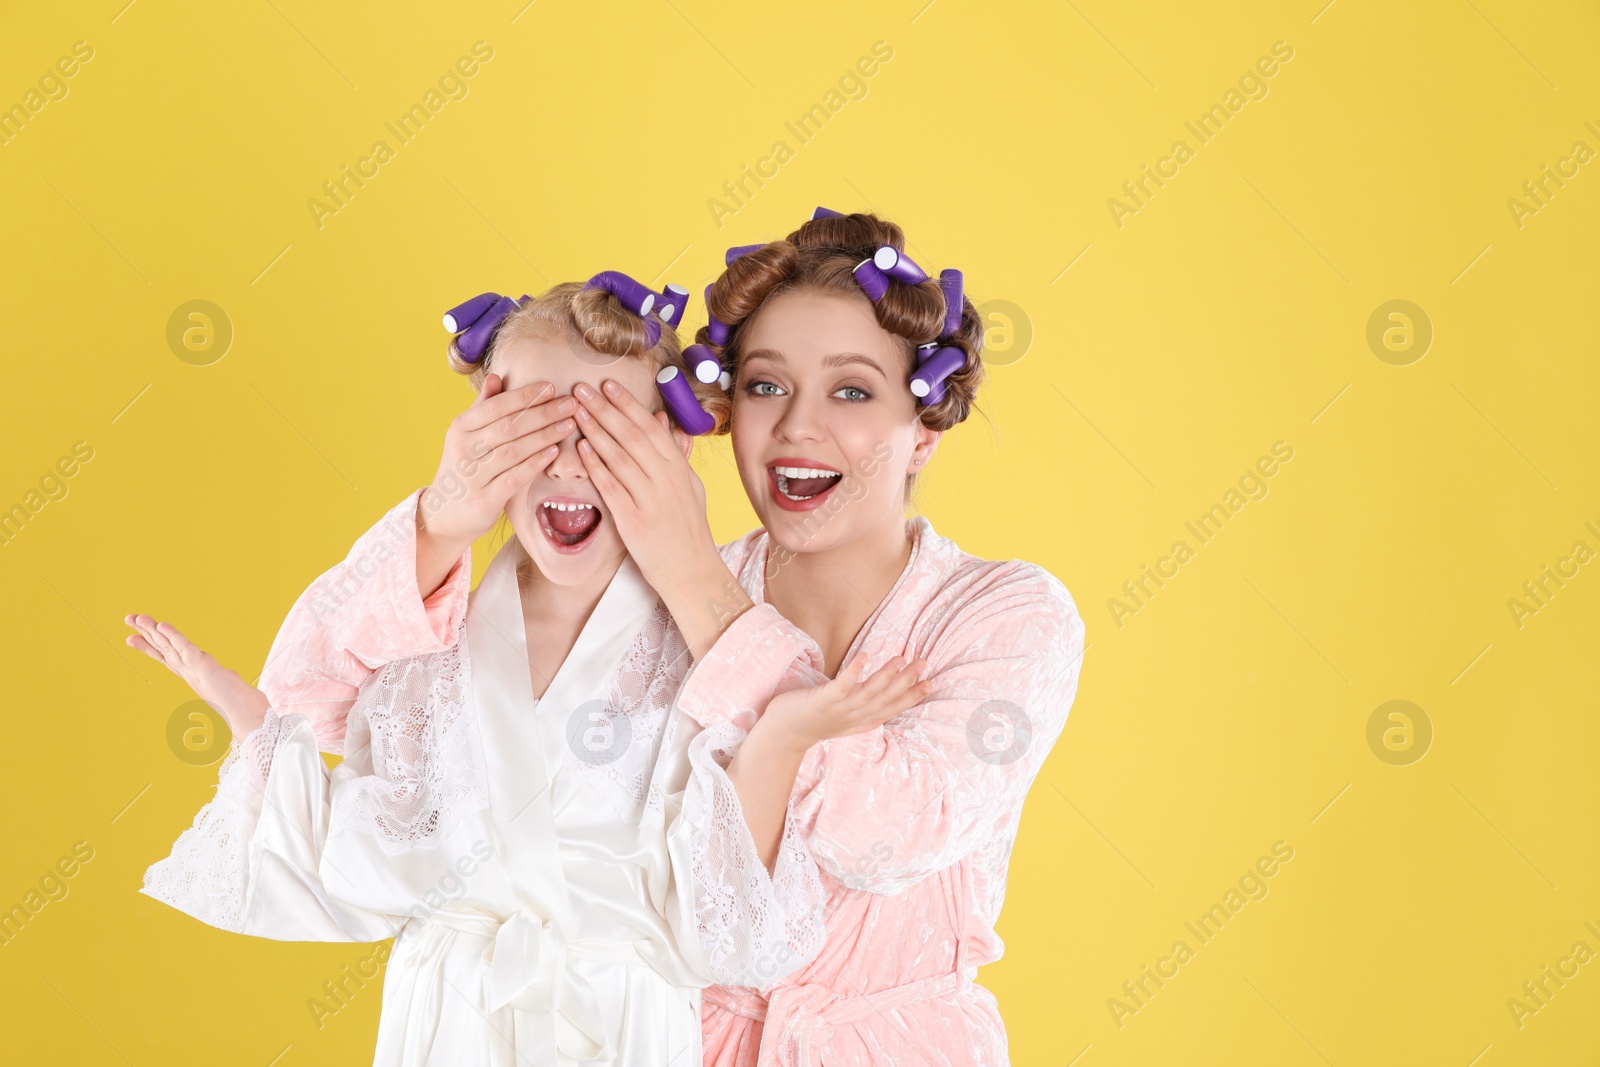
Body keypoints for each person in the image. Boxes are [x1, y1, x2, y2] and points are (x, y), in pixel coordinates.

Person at [128, 275, 882, 1066]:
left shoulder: (706, 643)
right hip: (449, 1017)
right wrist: (259, 725)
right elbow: (334, 795)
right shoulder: (430, 644)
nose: (565, 463)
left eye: (605, 433)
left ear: (669, 445)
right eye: (528, 429)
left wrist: (699, 581)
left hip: (620, 1022)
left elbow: (753, 872)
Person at [564, 209, 1088, 1065]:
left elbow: (893, 831)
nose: (798, 426)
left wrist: (695, 582)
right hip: (669, 1040)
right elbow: (569, 826)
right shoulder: (649, 604)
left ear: (924, 429)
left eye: (852, 390)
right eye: (766, 385)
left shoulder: (1005, 613)